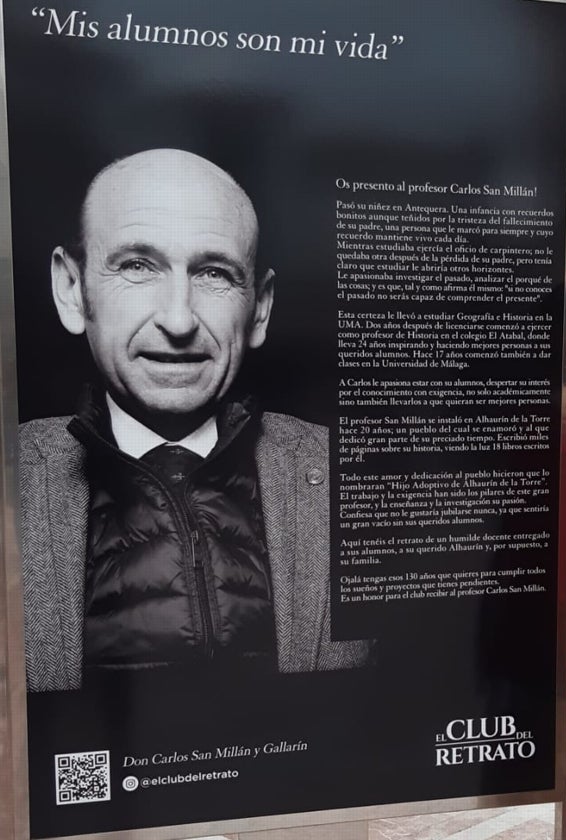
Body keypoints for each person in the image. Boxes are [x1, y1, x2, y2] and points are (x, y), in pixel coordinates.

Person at [19, 148, 370, 692]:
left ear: (260, 309)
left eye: (214, 273)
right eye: (137, 266)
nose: (179, 319)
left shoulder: (355, 479)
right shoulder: (13, 481)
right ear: (71, 289)